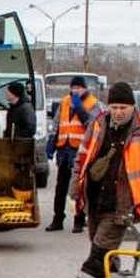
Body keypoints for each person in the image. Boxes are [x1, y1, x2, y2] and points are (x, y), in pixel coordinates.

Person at [61, 82, 140, 278]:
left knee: (99, 251)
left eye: (123, 107)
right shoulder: (98, 124)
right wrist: (74, 193)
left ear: (132, 107)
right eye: (114, 107)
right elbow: (80, 161)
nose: (118, 112)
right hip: (95, 199)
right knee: (105, 250)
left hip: (123, 202)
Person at [47, 76, 101, 233]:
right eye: (73, 87)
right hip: (64, 149)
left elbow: (94, 125)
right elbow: (57, 123)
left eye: (79, 87)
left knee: (79, 186)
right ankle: (58, 219)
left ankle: (79, 220)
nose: (75, 90)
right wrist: (52, 142)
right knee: (61, 186)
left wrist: (80, 110)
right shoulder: (64, 101)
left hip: (81, 150)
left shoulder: (92, 103)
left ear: (85, 88)